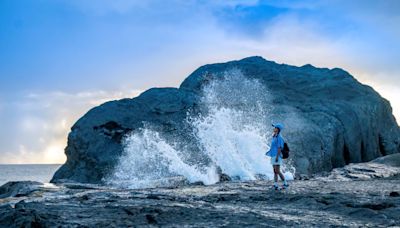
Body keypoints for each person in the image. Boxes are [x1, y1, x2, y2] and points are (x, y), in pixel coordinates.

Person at [266, 123, 288, 190]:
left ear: (278, 129)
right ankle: (275, 185)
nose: (274, 128)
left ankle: (285, 183)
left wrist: (277, 157)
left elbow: (279, 148)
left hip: (277, 156)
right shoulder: (274, 136)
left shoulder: (279, 137)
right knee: (275, 171)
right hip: (273, 155)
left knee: (277, 171)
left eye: (275, 127)